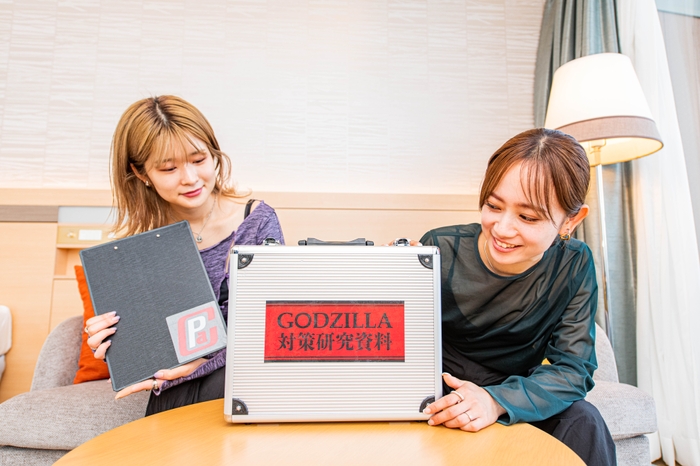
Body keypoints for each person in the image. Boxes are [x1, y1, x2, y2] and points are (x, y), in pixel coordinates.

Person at [419, 128, 616, 465]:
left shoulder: (573, 263)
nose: (502, 228)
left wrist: (495, 401)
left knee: (585, 421)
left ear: (570, 221)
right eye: (493, 206)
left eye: (527, 217)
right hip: (440, 392)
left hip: (515, 394)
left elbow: (573, 369)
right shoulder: (439, 248)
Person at [83, 95, 284, 415]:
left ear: (214, 154)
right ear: (141, 173)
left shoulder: (256, 221)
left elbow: (272, 327)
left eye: (199, 159)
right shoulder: (137, 248)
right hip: (174, 385)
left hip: (240, 375)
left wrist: (203, 362)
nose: (189, 178)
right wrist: (113, 344)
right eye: (168, 168)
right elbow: (153, 347)